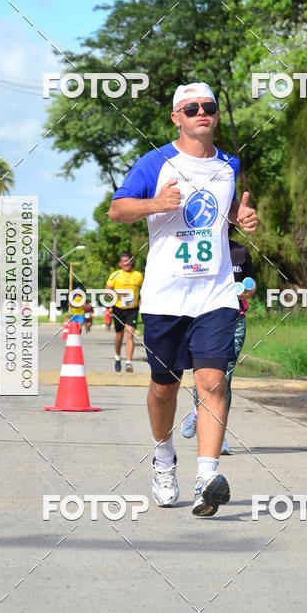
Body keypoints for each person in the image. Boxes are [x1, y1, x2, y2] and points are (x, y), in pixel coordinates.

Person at [108, 82, 258, 516]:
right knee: (164, 387)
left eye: (208, 106)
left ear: (216, 113)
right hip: (166, 297)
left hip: (215, 294)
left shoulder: (229, 164)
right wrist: (156, 203)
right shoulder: (155, 162)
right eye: (191, 108)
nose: (201, 113)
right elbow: (117, 210)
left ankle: (206, 479)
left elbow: (225, 212)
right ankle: (163, 458)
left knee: (213, 381)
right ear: (176, 117)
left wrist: (240, 217)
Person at [181, 231, 256, 453]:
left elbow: (251, 285)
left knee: (225, 377)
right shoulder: (197, 248)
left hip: (235, 320)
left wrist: (248, 291)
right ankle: (200, 412)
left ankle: (217, 434)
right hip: (204, 320)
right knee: (205, 375)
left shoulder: (240, 252)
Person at [106, 252, 144, 372]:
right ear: (120, 264)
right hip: (118, 308)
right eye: (124, 261)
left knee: (130, 334)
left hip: (132, 309)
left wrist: (141, 299)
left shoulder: (138, 275)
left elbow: (144, 289)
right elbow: (107, 290)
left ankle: (128, 363)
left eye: (128, 261)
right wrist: (115, 294)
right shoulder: (115, 275)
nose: (127, 263)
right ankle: (117, 358)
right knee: (119, 335)